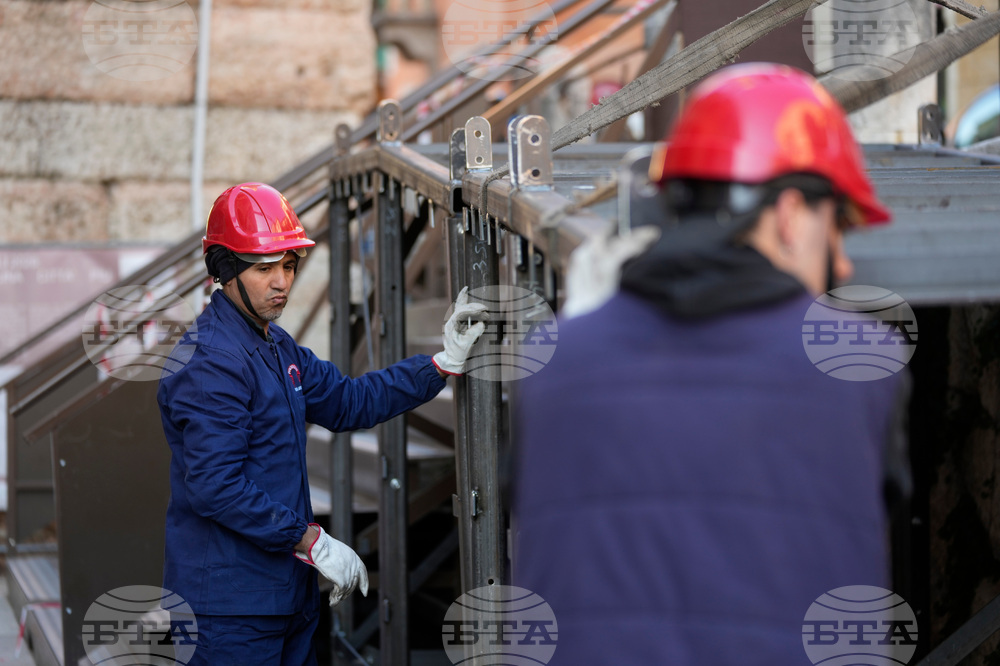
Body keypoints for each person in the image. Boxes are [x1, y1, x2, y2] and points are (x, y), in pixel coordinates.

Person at [514, 64, 908, 664]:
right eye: (839, 228)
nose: (845, 266)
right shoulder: (863, 370)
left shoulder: (551, 366)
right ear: (790, 213)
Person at [157, 182, 485, 665]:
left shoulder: (275, 344)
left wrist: (440, 364)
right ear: (224, 270)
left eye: (288, 266)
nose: (281, 282)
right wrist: (309, 540)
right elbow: (215, 485)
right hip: (228, 610)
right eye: (264, 268)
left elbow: (348, 401)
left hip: (284, 597)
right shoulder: (211, 362)